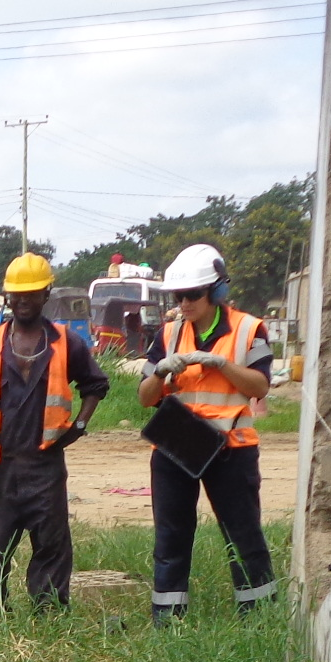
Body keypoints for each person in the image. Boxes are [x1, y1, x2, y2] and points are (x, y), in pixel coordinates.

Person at [136, 242, 274, 623]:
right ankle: (168, 619)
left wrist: (221, 364)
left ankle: (258, 615)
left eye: (193, 294)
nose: (184, 303)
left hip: (231, 446)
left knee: (243, 535)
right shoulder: (167, 334)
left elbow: (260, 386)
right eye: (179, 296)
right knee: (171, 536)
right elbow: (146, 397)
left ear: (216, 291)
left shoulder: (249, 329)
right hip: (178, 442)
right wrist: (161, 370)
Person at [0, 253, 108, 609]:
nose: (23, 301)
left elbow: (96, 385)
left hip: (45, 465)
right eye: (16, 295)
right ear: (7, 297)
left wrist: (80, 425)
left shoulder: (65, 342)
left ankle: (50, 610)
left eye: (31, 294)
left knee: (51, 544)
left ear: (46, 294)